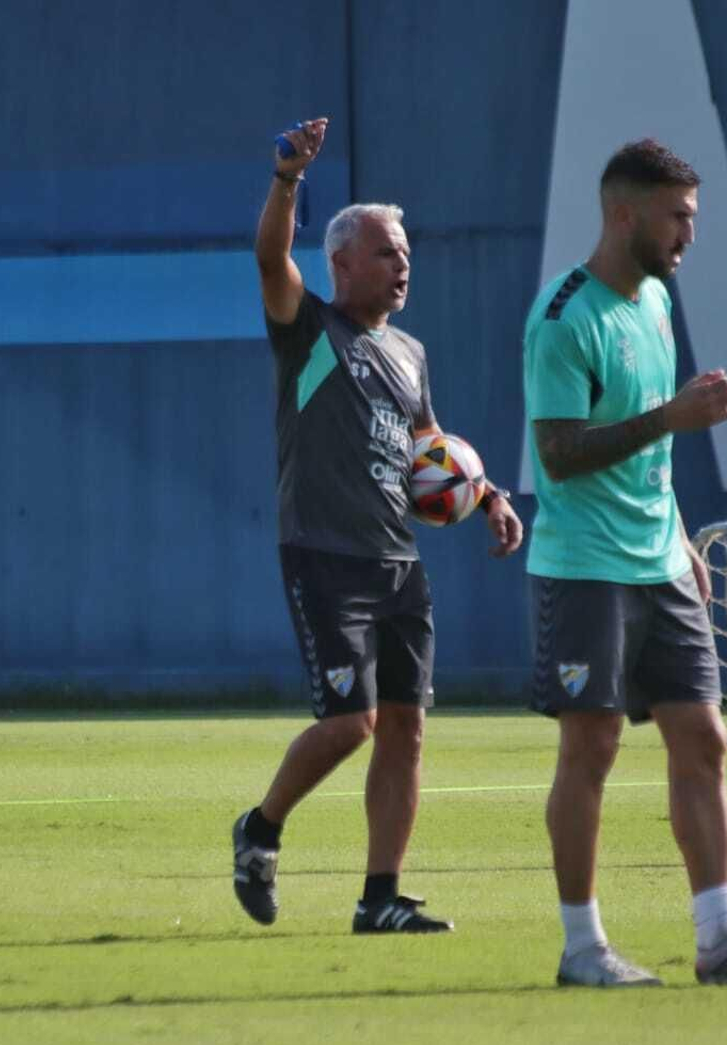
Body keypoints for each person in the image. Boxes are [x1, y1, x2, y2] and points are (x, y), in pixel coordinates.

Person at [524, 139, 727, 985]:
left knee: (704, 738)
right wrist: (671, 416)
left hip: (660, 561)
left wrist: (683, 537)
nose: (689, 233)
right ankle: (582, 948)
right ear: (625, 214)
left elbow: (650, 454)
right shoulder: (565, 317)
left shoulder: (655, 298)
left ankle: (720, 939)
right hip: (586, 566)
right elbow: (558, 455)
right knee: (592, 748)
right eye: (678, 217)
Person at [232, 117, 524, 934]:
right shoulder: (309, 330)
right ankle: (260, 828)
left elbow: (432, 444)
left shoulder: (409, 353)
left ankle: (380, 896)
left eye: (406, 254)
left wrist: (490, 495)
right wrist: (288, 178)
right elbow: (269, 260)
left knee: (405, 727)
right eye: (388, 253)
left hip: (399, 560)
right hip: (325, 552)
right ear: (343, 263)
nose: (403, 266)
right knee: (349, 723)